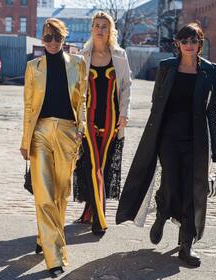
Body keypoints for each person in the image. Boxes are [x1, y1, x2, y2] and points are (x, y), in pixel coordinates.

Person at [115, 22, 216, 267]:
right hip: (168, 137)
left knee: (191, 191)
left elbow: (212, 110)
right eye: (184, 41)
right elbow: (157, 105)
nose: (189, 45)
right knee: (171, 182)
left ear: (200, 44)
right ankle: (163, 211)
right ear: (177, 44)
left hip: (196, 139)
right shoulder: (165, 68)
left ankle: (186, 244)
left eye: (193, 41)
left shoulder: (209, 71)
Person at [20, 18, 86, 278]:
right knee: (44, 194)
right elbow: (27, 106)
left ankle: (43, 236)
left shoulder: (78, 64)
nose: (51, 42)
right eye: (47, 38)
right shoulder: (32, 66)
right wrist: (25, 141)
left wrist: (80, 132)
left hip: (68, 132)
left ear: (64, 39)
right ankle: (55, 257)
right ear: (41, 39)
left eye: (56, 38)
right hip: (40, 133)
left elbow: (82, 100)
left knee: (61, 193)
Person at [73, 11, 132, 235]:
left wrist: (124, 114)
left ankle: (92, 211)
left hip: (111, 118)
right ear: (91, 29)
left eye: (104, 26)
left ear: (111, 31)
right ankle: (99, 218)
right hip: (87, 118)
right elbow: (77, 90)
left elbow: (126, 86)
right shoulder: (82, 56)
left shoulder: (119, 55)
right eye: (96, 25)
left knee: (103, 165)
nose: (100, 29)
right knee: (91, 164)